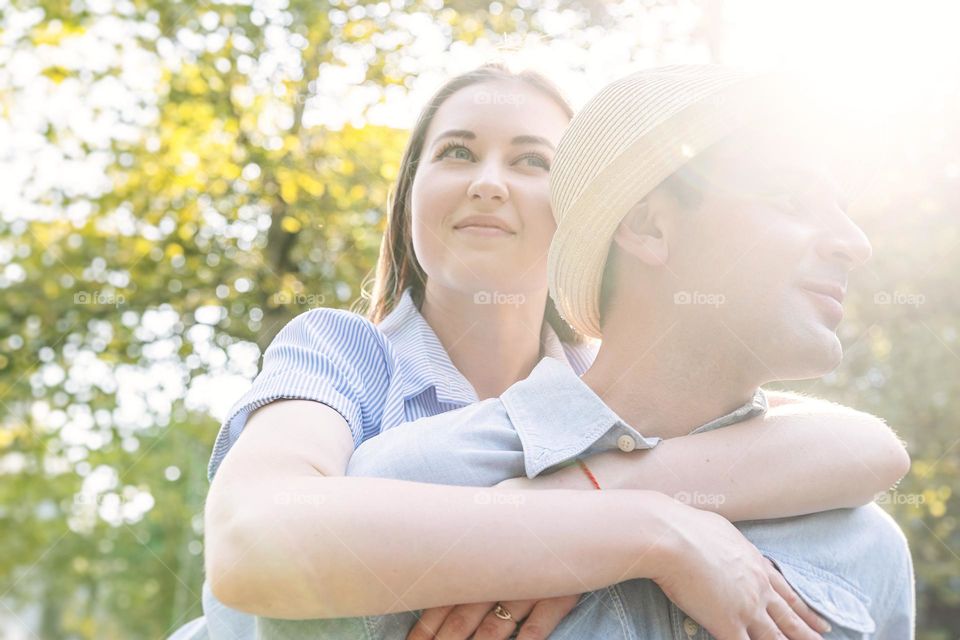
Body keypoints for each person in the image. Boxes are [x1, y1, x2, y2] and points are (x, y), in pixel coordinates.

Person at [185, 65, 910, 640]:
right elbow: (256, 538)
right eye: (457, 152)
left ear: (586, 211)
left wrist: (587, 498)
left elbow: (858, 448)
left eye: (533, 162)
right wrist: (645, 530)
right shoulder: (346, 353)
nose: (489, 182)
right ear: (410, 195)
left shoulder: (621, 388)